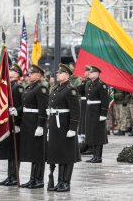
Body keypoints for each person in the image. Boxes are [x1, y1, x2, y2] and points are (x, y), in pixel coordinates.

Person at [47, 64, 80, 192]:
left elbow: (76, 111)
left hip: (65, 125)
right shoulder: (56, 89)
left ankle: (66, 182)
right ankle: (60, 181)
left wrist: (73, 128)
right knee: (59, 154)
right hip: (56, 125)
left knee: (67, 155)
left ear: (67, 75)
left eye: (60, 73)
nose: (57, 74)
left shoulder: (70, 90)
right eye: (57, 72)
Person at [18, 65, 49, 189]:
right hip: (28, 122)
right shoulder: (29, 87)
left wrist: (41, 126)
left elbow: (43, 109)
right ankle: (32, 178)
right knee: (32, 152)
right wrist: (17, 110)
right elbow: (25, 105)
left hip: (36, 123)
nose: (28, 75)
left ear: (39, 75)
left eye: (32, 73)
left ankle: (39, 180)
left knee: (38, 153)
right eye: (28, 73)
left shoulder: (41, 88)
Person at [0, 64, 24, 186]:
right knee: (9, 150)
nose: (10, 71)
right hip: (8, 121)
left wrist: (18, 123)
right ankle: (9, 176)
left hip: (15, 123)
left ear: (17, 74)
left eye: (12, 71)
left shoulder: (17, 88)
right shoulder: (8, 86)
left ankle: (14, 176)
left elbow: (20, 106)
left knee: (14, 152)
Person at [85, 66, 109, 163]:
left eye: (91, 72)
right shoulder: (88, 83)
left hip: (98, 111)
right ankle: (94, 155)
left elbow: (105, 100)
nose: (89, 73)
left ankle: (98, 157)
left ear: (97, 74)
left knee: (98, 134)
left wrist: (103, 113)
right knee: (92, 134)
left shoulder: (101, 84)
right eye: (89, 72)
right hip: (90, 111)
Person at [77, 65, 91, 154]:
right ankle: (84, 145)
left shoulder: (90, 82)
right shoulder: (85, 81)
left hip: (87, 104)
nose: (84, 73)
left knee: (87, 124)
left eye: (87, 72)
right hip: (83, 104)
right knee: (82, 124)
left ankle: (90, 146)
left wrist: (83, 82)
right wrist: (82, 81)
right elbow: (79, 90)